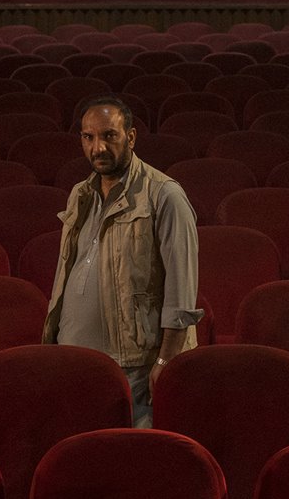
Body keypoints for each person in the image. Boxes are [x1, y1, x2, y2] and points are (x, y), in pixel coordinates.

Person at [41, 93, 202, 426]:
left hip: (134, 367)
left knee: (131, 462)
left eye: (108, 136)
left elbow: (182, 289)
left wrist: (165, 363)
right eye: (89, 137)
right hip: (74, 362)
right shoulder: (80, 194)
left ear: (130, 137)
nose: (98, 148)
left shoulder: (165, 195)